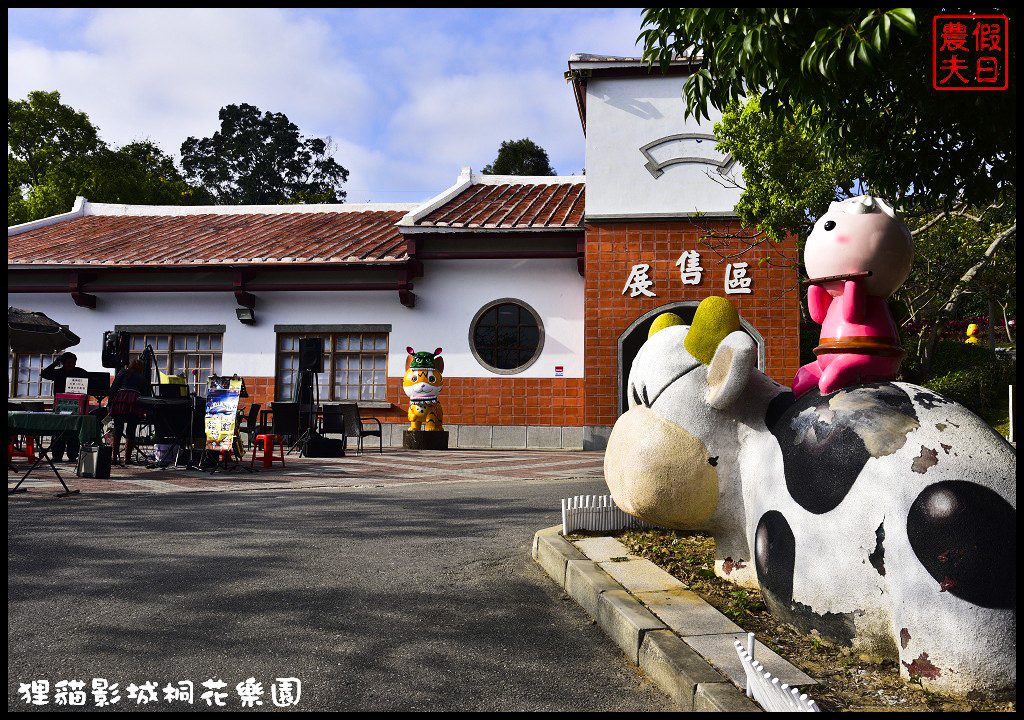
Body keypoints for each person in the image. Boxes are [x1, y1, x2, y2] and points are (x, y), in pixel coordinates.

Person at [41, 352, 91, 462]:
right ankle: (57, 455)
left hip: (75, 406)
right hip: (60, 405)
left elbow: (91, 380)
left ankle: (73, 455)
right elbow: (44, 374)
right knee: (58, 431)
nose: (71, 365)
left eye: (73, 362)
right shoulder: (57, 373)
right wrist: (55, 363)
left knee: (73, 432)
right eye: (69, 362)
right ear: (63, 363)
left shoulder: (80, 372)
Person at [108, 359, 151, 465]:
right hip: (134, 403)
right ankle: (127, 459)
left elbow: (113, 389)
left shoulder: (122, 373)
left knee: (118, 429)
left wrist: (109, 404)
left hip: (120, 402)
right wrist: (147, 410)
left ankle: (114, 458)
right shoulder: (142, 378)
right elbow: (146, 394)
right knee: (131, 431)